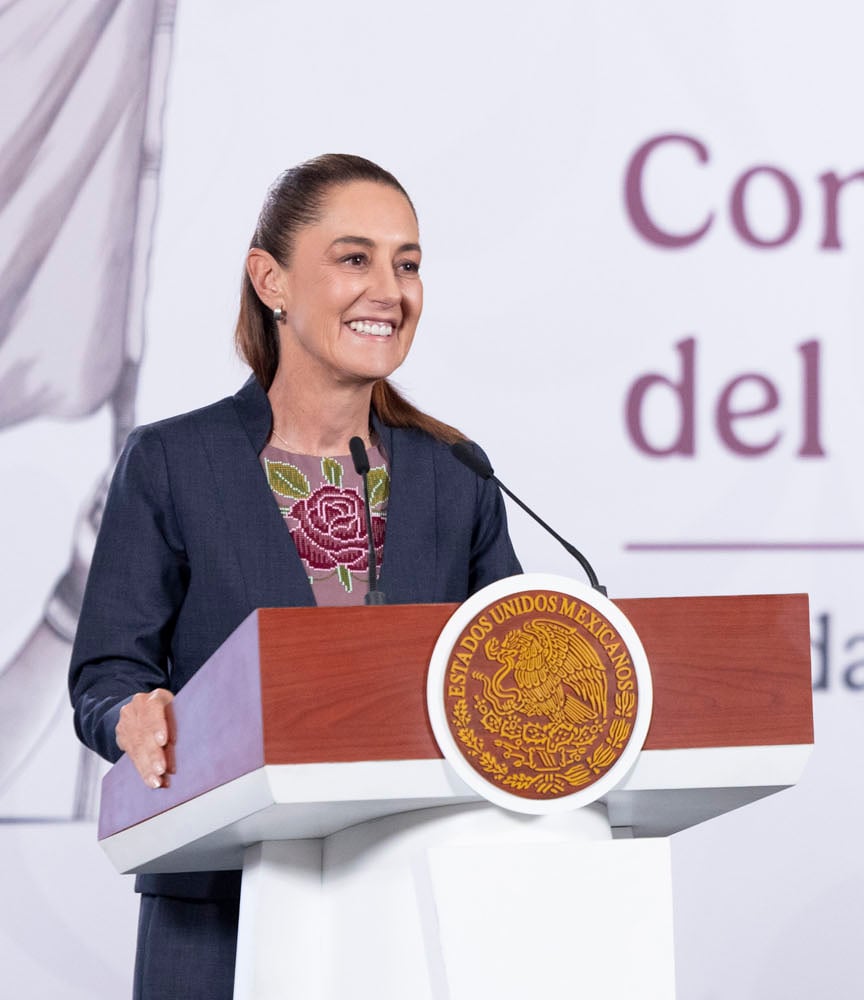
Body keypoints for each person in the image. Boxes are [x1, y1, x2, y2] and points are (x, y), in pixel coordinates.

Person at [68, 153, 522, 999]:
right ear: (271, 280)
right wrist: (134, 715)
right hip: (218, 906)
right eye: (355, 258)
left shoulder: (455, 472)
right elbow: (106, 672)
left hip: (413, 898)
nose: (391, 288)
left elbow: (511, 666)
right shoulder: (172, 462)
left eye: (408, 262)